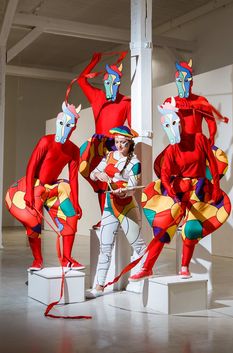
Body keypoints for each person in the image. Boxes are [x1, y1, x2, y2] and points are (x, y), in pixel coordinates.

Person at [129, 100, 231, 281]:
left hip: (199, 190)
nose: (172, 128)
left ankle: (184, 266)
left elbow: (212, 164)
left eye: (174, 123)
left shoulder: (199, 139)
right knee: (162, 229)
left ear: (181, 122)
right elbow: (166, 176)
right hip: (178, 189)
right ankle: (147, 267)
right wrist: (172, 193)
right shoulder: (171, 150)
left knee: (191, 229)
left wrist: (216, 186)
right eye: (167, 125)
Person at [5, 102, 84, 271]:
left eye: (69, 125)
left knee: (70, 216)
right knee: (33, 222)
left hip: (53, 189)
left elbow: (73, 178)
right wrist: (27, 190)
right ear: (58, 122)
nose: (65, 128)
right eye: (63, 124)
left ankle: (67, 258)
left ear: (74, 128)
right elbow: (31, 166)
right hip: (35, 185)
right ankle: (37, 260)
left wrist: (76, 202)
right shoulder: (45, 142)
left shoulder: (73, 150)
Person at [86, 126, 147, 297]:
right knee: (105, 247)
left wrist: (123, 190)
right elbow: (92, 173)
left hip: (126, 207)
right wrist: (99, 175)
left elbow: (132, 189)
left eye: (123, 143)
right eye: (117, 142)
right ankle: (99, 287)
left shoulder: (135, 163)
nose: (119, 146)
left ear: (130, 144)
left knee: (139, 246)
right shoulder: (109, 156)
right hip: (109, 206)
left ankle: (147, 279)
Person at [78, 52, 131, 227]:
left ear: (119, 83)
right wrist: (93, 63)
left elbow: (131, 127)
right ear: (104, 82)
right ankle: (106, 218)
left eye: (114, 83)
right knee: (97, 180)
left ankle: (111, 219)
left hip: (115, 147)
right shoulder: (98, 97)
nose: (110, 86)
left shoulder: (125, 102)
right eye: (107, 82)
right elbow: (81, 81)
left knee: (111, 184)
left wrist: (127, 148)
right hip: (97, 144)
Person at [154, 59, 228, 179]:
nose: (183, 85)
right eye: (179, 81)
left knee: (199, 176)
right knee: (174, 175)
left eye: (187, 81)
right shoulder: (170, 101)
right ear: (176, 82)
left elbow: (211, 121)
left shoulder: (201, 101)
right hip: (179, 144)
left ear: (191, 82)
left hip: (197, 143)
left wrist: (212, 137)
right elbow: (166, 123)